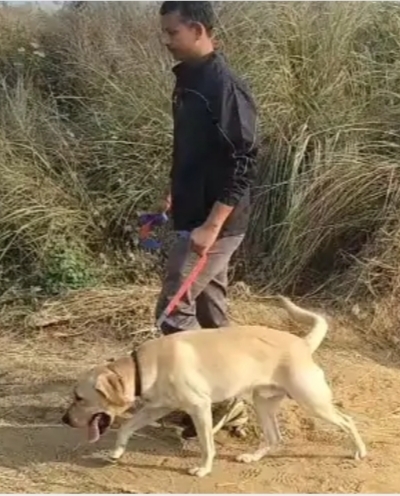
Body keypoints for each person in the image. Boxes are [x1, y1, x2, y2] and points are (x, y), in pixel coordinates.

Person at [156, 0, 258, 439]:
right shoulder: (189, 80)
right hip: (193, 211)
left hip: (214, 223)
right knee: (209, 311)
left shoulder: (224, 86)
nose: (166, 40)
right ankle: (230, 398)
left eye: (172, 32)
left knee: (172, 313)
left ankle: (219, 400)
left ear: (198, 30)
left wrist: (213, 225)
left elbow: (245, 161)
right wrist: (175, 192)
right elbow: (196, 150)